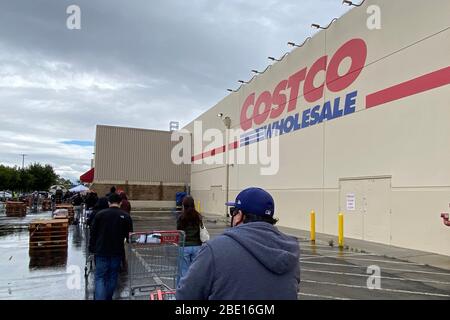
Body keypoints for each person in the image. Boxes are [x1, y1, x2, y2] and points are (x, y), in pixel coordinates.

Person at [176, 187, 300, 300]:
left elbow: (186, 295)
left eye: (233, 211)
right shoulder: (290, 251)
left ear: (239, 215)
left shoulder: (214, 250)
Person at [89, 193, 133, 300]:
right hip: (117, 250)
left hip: (101, 250)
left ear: (109, 202)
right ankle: (108, 297)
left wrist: (92, 247)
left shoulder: (100, 215)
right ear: (121, 202)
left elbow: (93, 233)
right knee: (113, 276)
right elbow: (130, 235)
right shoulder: (126, 216)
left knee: (100, 277)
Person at [176, 195, 203, 286]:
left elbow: (178, 231)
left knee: (184, 271)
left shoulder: (181, 217)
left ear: (184, 205)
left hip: (184, 246)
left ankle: (183, 290)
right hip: (197, 246)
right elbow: (201, 230)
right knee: (195, 270)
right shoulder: (198, 217)